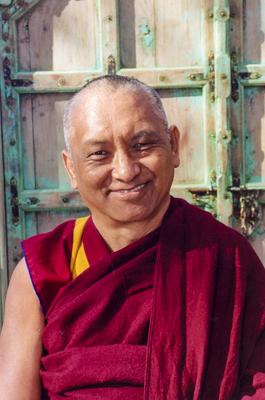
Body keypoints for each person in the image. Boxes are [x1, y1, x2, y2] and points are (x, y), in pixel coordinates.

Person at [0, 75, 264, 400]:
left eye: (142, 145)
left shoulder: (226, 258)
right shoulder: (42, 271)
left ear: (174, 146)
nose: (126, 170)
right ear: (71, 168)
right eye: (99, 153)